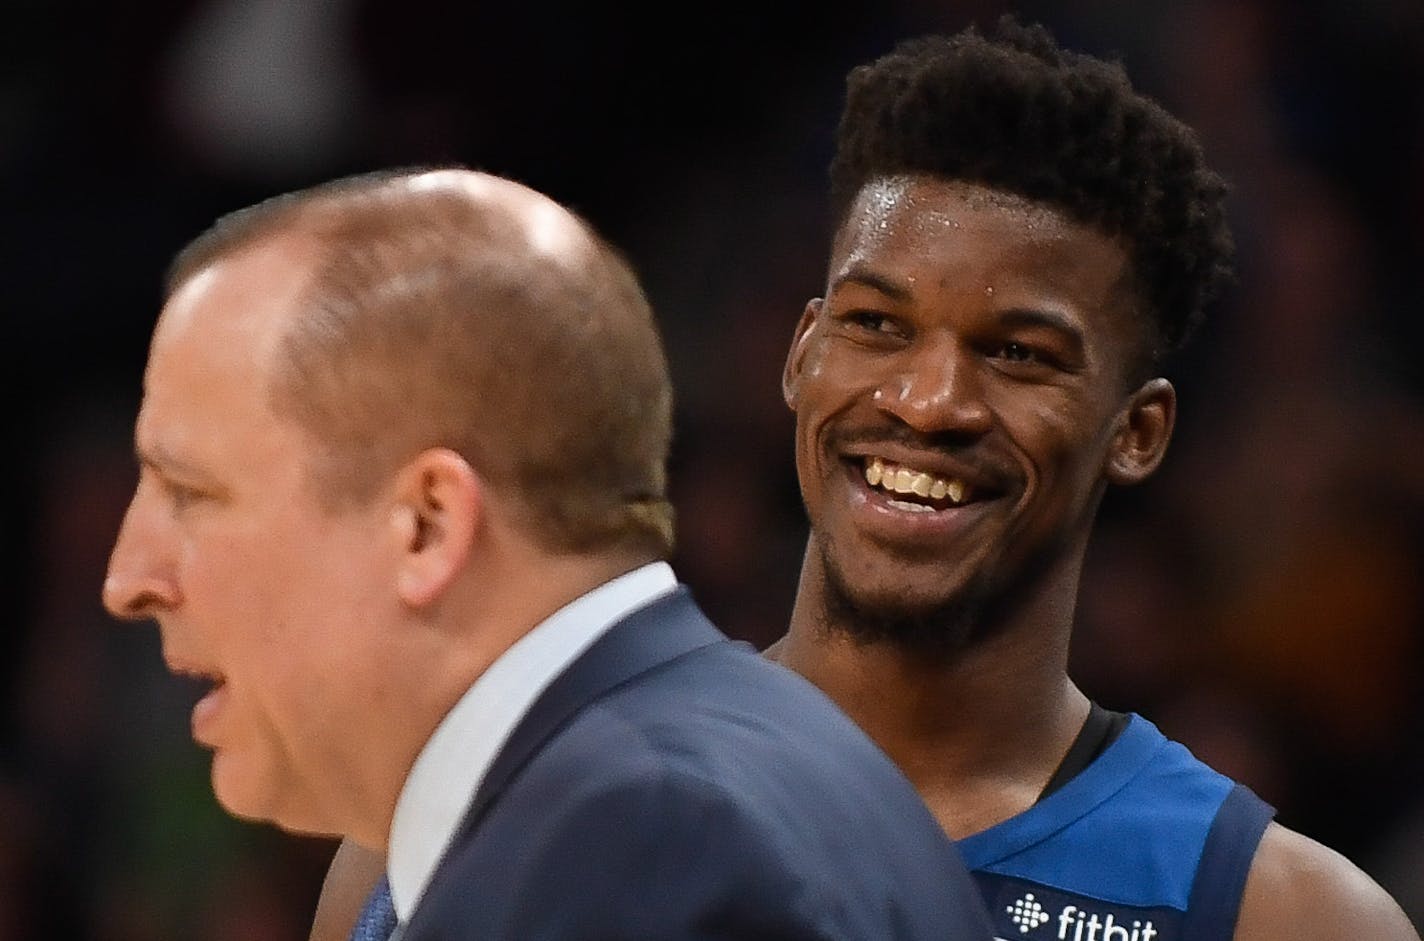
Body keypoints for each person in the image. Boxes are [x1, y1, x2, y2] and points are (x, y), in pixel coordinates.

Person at [308, 18, 1422, 941]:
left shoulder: (1274, 913)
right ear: (801, 357)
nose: (928, 400)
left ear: (1135, 431)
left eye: (1016, 352)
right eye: (876, 325)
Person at [101, 166, 996, 940]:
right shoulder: (664, 785)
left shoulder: (638, 850)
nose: (127, 579)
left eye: (193, 493)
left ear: (427, 524)